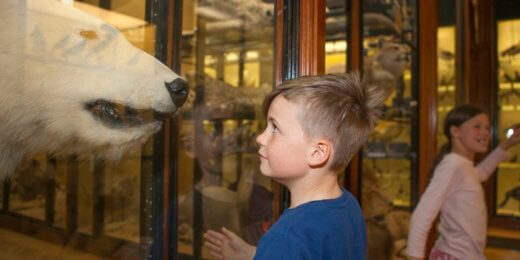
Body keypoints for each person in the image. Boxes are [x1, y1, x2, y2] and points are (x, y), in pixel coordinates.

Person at [204, 72, 389, 259]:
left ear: (317, 152)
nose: (260, 138)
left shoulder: (287, 236)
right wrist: (255, 255)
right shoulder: (349, 206)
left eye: (275, 128)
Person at [406, 104, 520, 260]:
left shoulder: (464, 166)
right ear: (455, 131)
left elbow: (482, 172)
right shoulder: (452, 165)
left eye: (487, 127)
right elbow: (421, 216)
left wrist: (507, 144)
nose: (485, 132)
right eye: (477, 126)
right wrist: (414, 257)